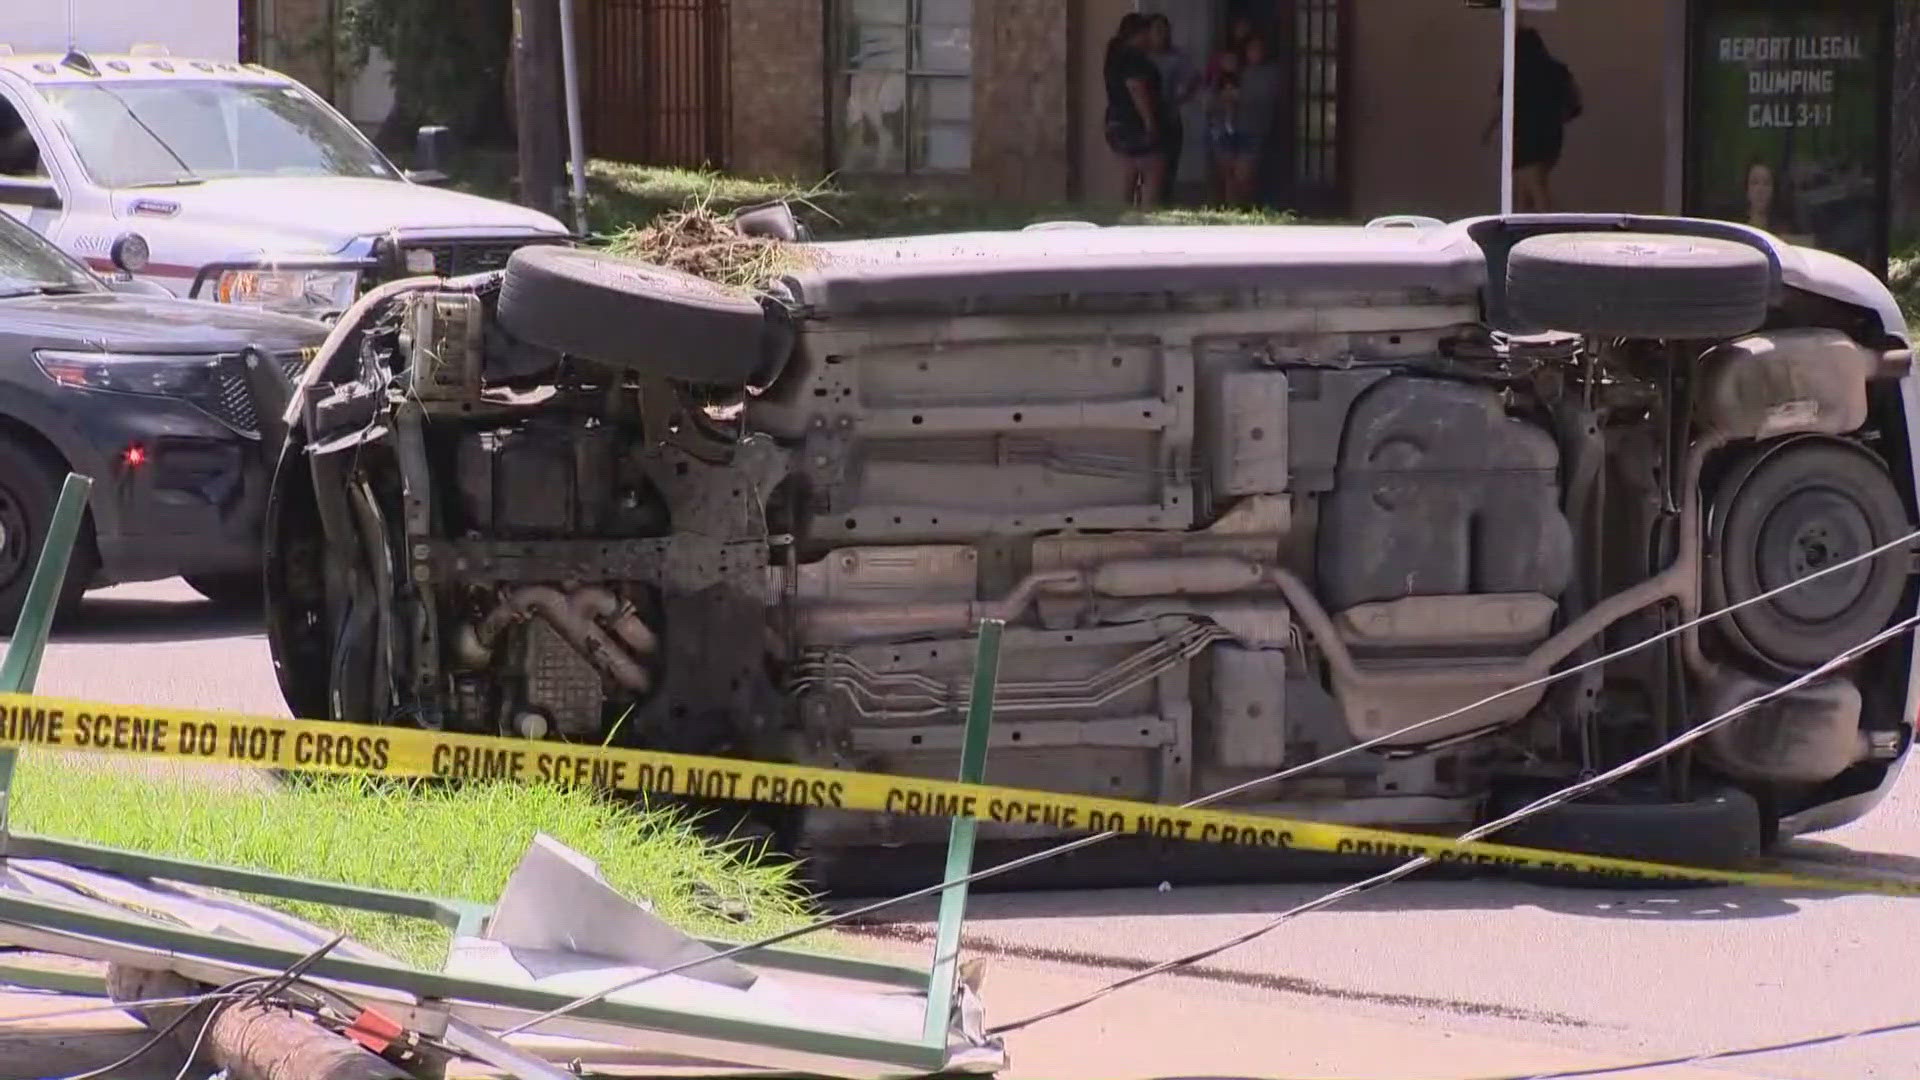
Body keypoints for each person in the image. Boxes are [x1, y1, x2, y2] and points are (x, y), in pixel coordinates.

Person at [1483, 26, 1582, 212]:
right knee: (1529, 186)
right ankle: (1528, 225)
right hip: (1550, 134)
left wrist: (1488, 130)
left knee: (1531, 186)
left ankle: (1544, 228)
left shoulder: (1515, 72)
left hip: (1523, 135)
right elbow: (1575, 102)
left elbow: (1502, 106)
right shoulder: (1557, 70)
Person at [1104, 13, 1167, 208]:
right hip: (1135, 123)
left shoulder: (1115, 56)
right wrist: (1150, 123)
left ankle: (1124, 218)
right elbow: (1136, 88)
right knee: (1154, 169)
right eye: (1151, 32)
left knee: (1130, 172)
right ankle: (1146, 217)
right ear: (1140, 34)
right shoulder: (1134, 58)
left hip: (1116, 121)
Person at [1146, 13, 1200, 205]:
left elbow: (1194, 79)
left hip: (1169, 118)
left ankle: (1165, 202)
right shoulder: (1142, 57)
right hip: (1144, 118)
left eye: (1164, 30)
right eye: (1157, 30)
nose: (1161, 34)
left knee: (1169, 165)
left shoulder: (1177, 57)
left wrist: (1180, 99)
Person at [1226, 34, 1281, 207]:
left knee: (1245, 173)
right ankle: (1232, 210)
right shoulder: (1241, 71)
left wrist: (1238, 96)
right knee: (1231, 173)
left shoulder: (1271, 73)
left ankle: (1248, 207)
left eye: (1259, 48)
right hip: (1234, 127)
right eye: (1251, 49)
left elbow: (1266, 97)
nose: (1255, 53)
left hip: (1256, 128)